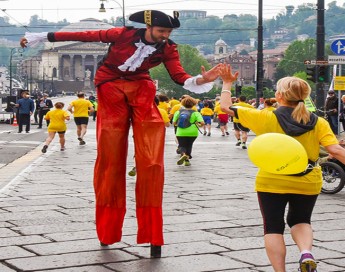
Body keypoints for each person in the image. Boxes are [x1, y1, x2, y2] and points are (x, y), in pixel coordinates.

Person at [20, 10, 220, 256]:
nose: (165, 36)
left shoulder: (167, 47)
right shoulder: (122, 34)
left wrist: (201, 80)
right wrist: (42, 37)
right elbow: (85, 35)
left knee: (152, 158)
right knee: (110, 156)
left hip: (141, 88)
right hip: (110, 87)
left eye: (168, 33)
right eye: (161, 32)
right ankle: (108, 230)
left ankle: (152, 233)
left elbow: (178, 75)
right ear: (148, 27)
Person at [218, 64, 345, 272]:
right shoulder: (319, 122)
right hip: (307, 179)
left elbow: (225, 107)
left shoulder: (264, 116)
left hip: (272, 180)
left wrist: (227, 82)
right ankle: (306, 252)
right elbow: (337, 150)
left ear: (279, 95)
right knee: (301, 220)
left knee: (273, 227)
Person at [173, 96, 204, 166]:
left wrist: (179, 124)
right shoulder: (196, 113)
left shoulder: (178, 112)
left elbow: (174, 123)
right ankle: (187, 160)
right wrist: (198, 125)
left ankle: (183, 154)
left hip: (181, 132)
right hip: (193, 132)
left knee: (181, 145)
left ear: (183, 103)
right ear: (193, 104)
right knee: (189, 145)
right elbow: (202, 123)